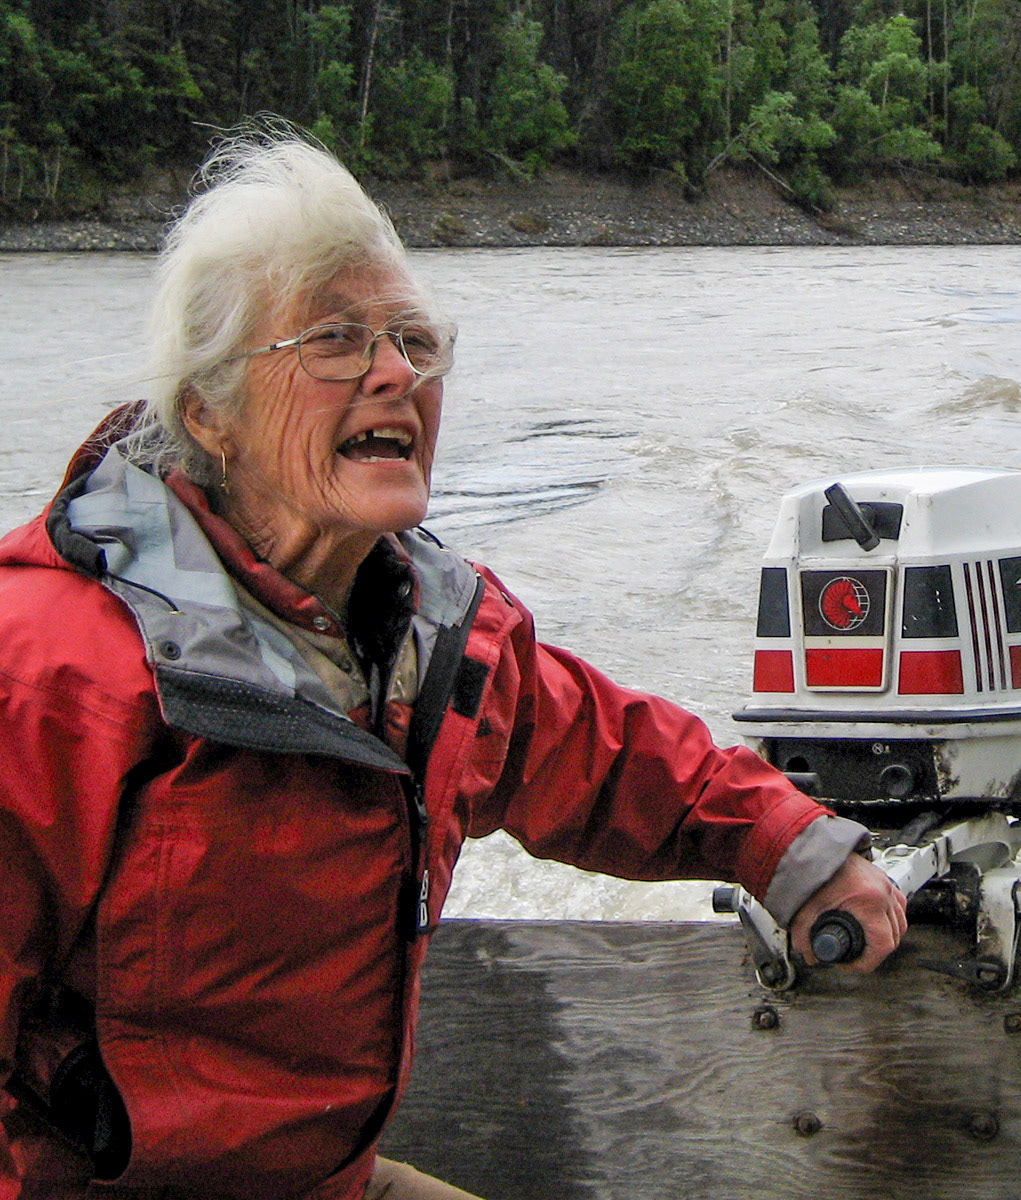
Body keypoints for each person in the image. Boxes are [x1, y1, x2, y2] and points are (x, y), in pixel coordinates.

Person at [0, 128, 906, 1200]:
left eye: (415, 340)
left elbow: (607, 757)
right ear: (211, 414)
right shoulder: (49, 680)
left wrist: (790, 845)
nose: (394, 374)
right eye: (334, 340)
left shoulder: (435, 638)